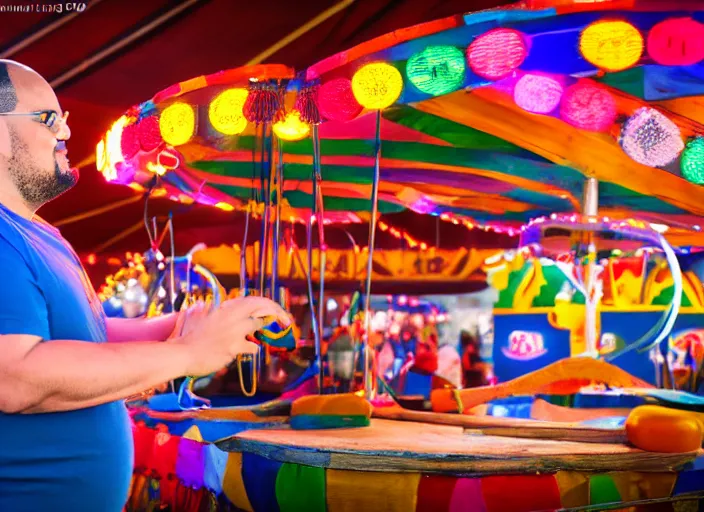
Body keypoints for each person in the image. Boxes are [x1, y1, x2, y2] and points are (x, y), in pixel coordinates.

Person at [0, 60, 289, 512]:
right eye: (49, 119)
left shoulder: (38, 233)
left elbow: (89, 337)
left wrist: (183, 324)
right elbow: (15, 378)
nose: (67, 134)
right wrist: (188, 354)